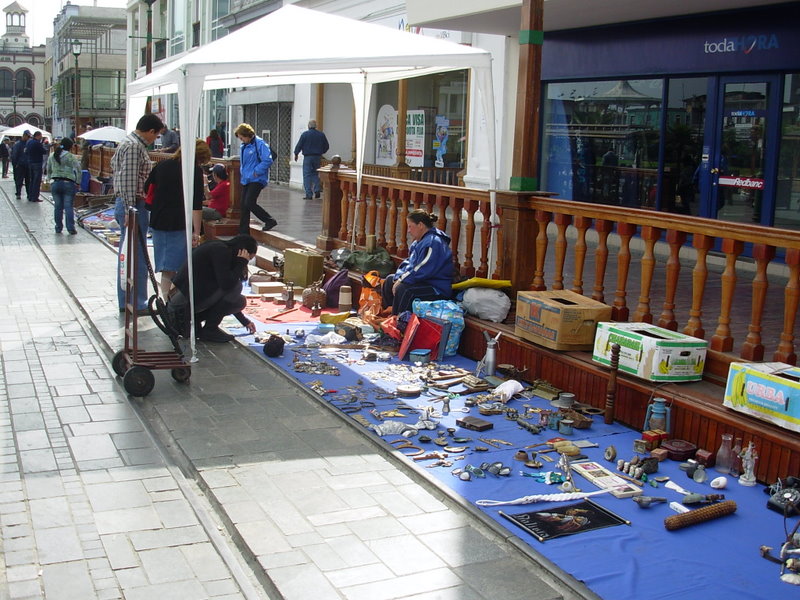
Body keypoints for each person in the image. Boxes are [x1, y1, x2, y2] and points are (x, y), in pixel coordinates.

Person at [111, 113, 164, 316]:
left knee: (131, 254)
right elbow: (128, 180)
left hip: (130, 204)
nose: (155, 139)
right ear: (150, 131)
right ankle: (137, 302)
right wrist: (128, 209)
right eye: (156, 135)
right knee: (136, 256)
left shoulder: (128, 142)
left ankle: (129, 300)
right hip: (133, 205)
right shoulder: (134, 146)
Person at [145, 139, 209, 299]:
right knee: (180, 267)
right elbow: (196, 205)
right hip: (180, 222)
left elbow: (148, 188)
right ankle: (171, 303)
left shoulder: (162, 165)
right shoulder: (194, 171)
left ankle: (167, 299)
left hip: (159, 220)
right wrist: (196, 231)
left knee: (167, 267)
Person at [169, 234, 258, 343]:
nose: (247, 262)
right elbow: (227, 285)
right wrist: (241, 263)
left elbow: (227, 297)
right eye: (249, 258)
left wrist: (244, 321)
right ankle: (209, 330)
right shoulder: (220, 251)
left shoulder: (222, 249)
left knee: (240, 301)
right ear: (243, 252)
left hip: (192, 301)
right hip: (181, 307)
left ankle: (200, 322)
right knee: (236, 286)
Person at [381, 209, 453, 315]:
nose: (408, 230)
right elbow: (408, 264)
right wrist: (399, 277)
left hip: (436, 287)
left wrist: (402, 280)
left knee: (404, 289)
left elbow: (422, 269)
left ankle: (399, 323)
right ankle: (388, 314)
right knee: (389, 281)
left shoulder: (433, 243)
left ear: (420, 225)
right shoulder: (418, 242)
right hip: (421, 281)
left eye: (410, 226)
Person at [234, 122, 275, 233]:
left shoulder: (260, 143)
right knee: (244, 205)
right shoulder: (244, 146)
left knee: (249, 202)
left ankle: (269, 220)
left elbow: (268, 159)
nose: (242, 140)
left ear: (247, 135)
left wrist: (257, 171)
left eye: (242, 138)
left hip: (257, 179)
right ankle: (243, 232)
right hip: (247, 178)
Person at [47, 137, 81, 234]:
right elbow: (78, 170)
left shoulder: (52, 155)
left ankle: (58, 228)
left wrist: (50, 180)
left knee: (58, 207)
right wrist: (78, 182)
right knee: (68, 206)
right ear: (70, 147)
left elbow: (48, 169)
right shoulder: (71, 157)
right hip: (68, 183)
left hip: (55, 183)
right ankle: (70, 228)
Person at [293, 119, 329, 199]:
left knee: (307, 175)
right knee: (315, 173)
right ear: (315, 126)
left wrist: (296, 154)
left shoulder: (305, 135)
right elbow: (326, 146)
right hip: (317, 157)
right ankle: (317, 189)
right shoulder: (321, 135)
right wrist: (321, 152)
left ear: (308, 126)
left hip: (308, 157)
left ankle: (309, 194)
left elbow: (299, 145)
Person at [25, 131, 49, 202]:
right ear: (38, 136)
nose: (41, 138)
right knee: (37, 181)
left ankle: (30, 196)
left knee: (31, 180)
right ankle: (35, 197)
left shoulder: (29, 142)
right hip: (37, 163)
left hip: (30, 162)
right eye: (40, 136)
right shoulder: (37, 143)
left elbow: (26, 152)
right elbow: (44, 151)